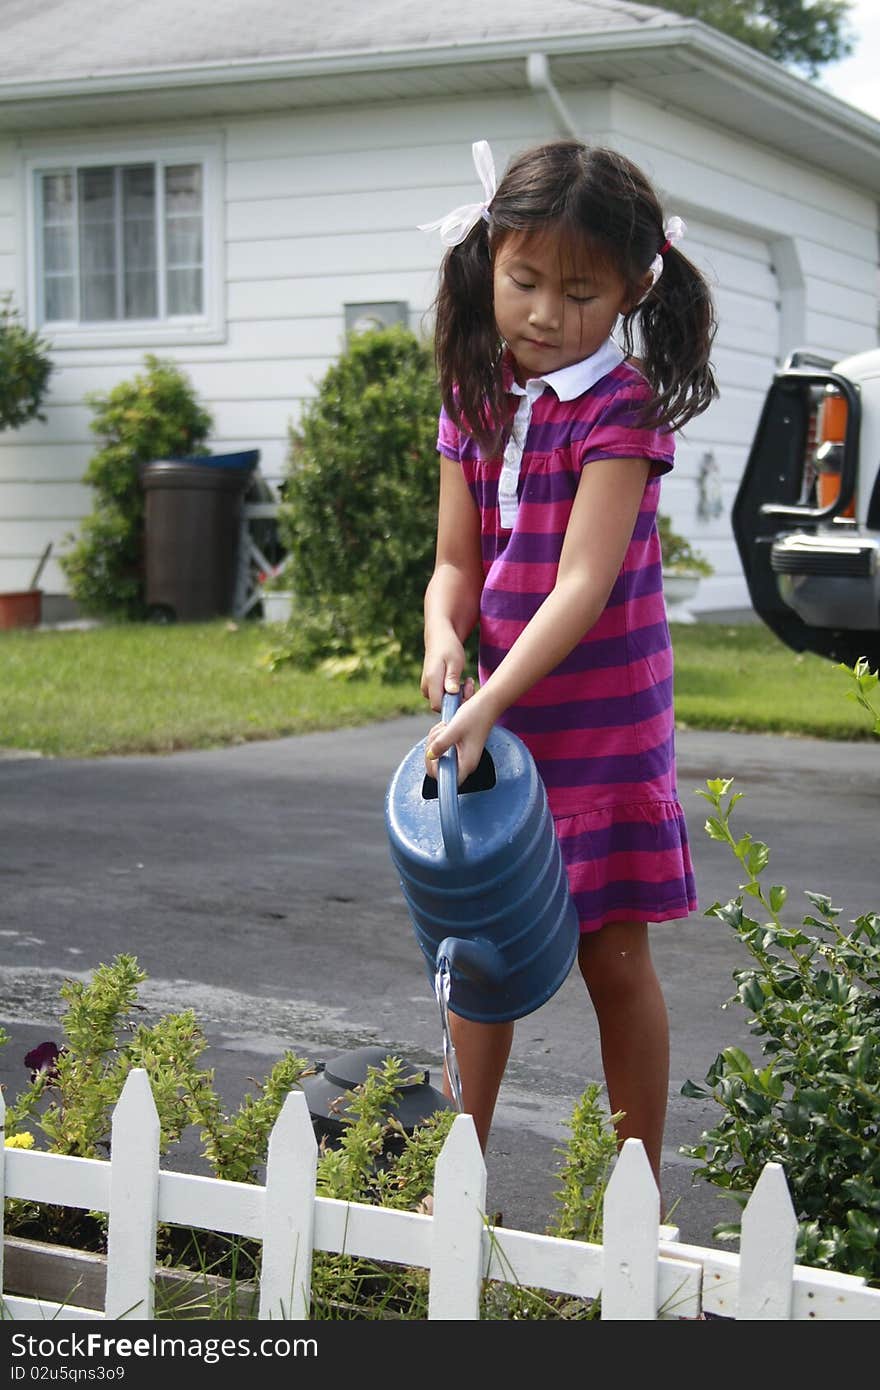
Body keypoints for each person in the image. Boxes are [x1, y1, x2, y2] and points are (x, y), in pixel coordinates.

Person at [417, 138, 718, 1190]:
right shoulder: (474, 398)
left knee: (613, 958)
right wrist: (443, 638)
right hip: (492, 719)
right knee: (478, 957)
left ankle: (633, 1196)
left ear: (633, 288)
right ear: (491, 256)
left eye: (580, 291)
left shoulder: (618, 410)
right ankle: (458, 1182)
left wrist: (489, 699)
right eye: (525, 281)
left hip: (597, 724)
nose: (545, 313)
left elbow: (582, 585)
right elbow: (455, 561)